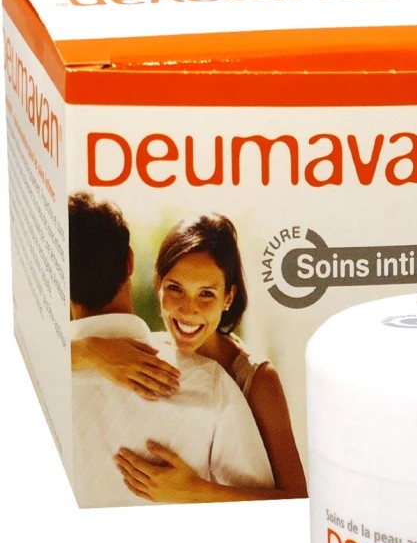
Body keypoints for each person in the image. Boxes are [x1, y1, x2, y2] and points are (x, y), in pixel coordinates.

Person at [72, 211, 307, 502]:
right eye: (175, 288)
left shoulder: (258, 379)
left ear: (228, 297)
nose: (188, 309)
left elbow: (297, 499)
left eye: (206, 294)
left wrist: (193, 491)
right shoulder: (140, 353)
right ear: (158, 284)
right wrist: (91, 351)